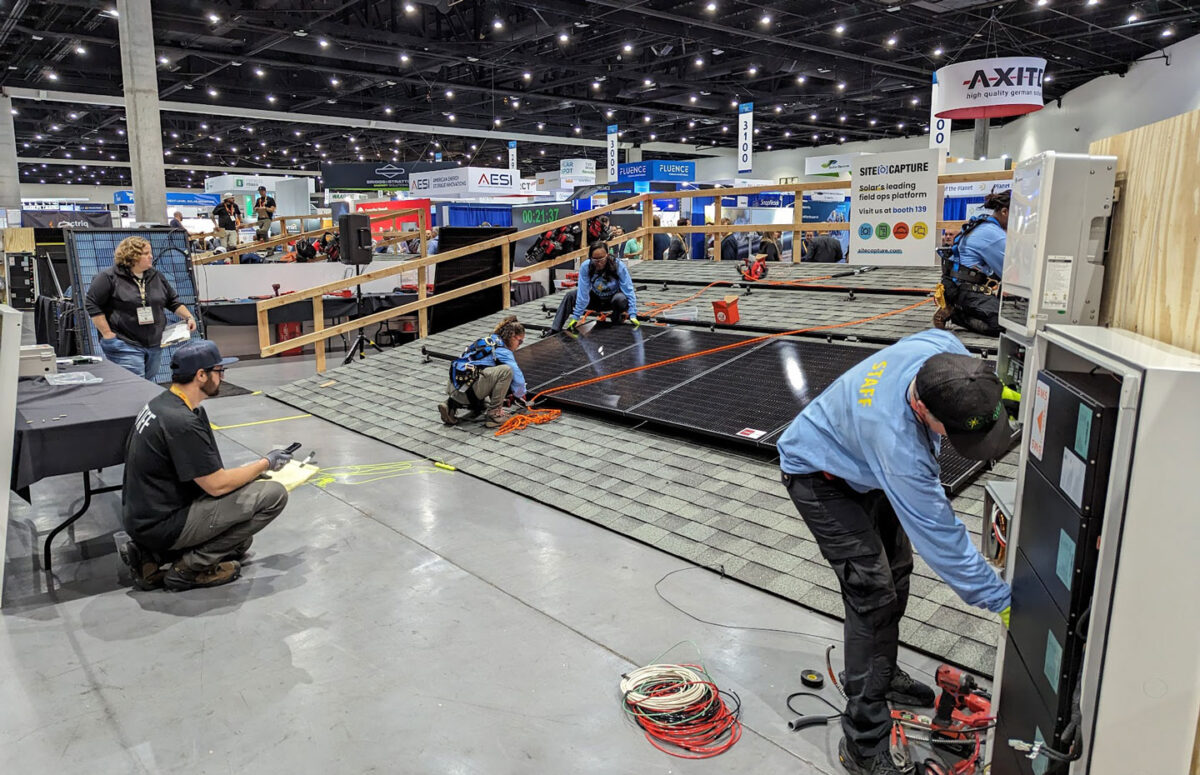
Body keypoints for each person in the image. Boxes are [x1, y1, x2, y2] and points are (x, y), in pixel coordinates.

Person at [776, 329, 1012, 775]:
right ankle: (863, 744)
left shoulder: (946, 358)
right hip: (818, 477)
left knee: (898, 568)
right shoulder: (899, 446)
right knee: (873, 594)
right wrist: (1002, 600)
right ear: (922, 409)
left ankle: (880, 671)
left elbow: (938, 340)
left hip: (862, 465)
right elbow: (943, 540)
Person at [116, 340, 292, 592]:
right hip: (164, 523)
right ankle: (188, 569)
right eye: (219, 371)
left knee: (240, 542)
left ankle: (150, 557)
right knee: (273, 496)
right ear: (201, 375)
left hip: (148, 516)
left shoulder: (163, 405)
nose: (222, 377)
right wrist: (266, 462)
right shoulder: (182, 422)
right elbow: (217, 486)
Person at [85, 236, 197, 380]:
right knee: (135, 384)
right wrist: (107, 334)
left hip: (154, 344)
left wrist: (188, 317)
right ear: (131, 256)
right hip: (123, 342)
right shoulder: (108, 277)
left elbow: (172, 301)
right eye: (145, 253)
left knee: (147, 383)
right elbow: (92, 303)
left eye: (150, 253)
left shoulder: (156, 276)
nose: (151, 256)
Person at [934, 190, 1010, 336]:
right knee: (1006, 325)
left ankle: (956, 308)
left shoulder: (982, 225)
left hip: (958, 289)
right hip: (968, 292)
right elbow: (1010, 272)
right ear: (1005, 212)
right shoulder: (993, 233)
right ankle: (956, 313)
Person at [439, 316, 527, 429]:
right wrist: (521, 394)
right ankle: (494, 415)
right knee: (506, 371)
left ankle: (450, 405)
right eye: (520, 341)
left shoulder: (490, 340)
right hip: (469, 392)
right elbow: (518, 377)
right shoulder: (503, 351)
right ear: (513, 337)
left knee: (484, 377)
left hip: (454, 389)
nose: (520, 344)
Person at [550, 241, 640, 333]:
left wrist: (632, 314)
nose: (599, 263)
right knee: (570, 295)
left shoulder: (618, 265)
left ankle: (616, 321)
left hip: (613, 300)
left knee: (620, 299)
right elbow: (583, 293)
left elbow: (628, 290)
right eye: (595, 260)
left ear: (607, 255)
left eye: (602, 259)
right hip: (596, 299)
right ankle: (555, 329)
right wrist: (576, 316)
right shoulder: (586, 266)